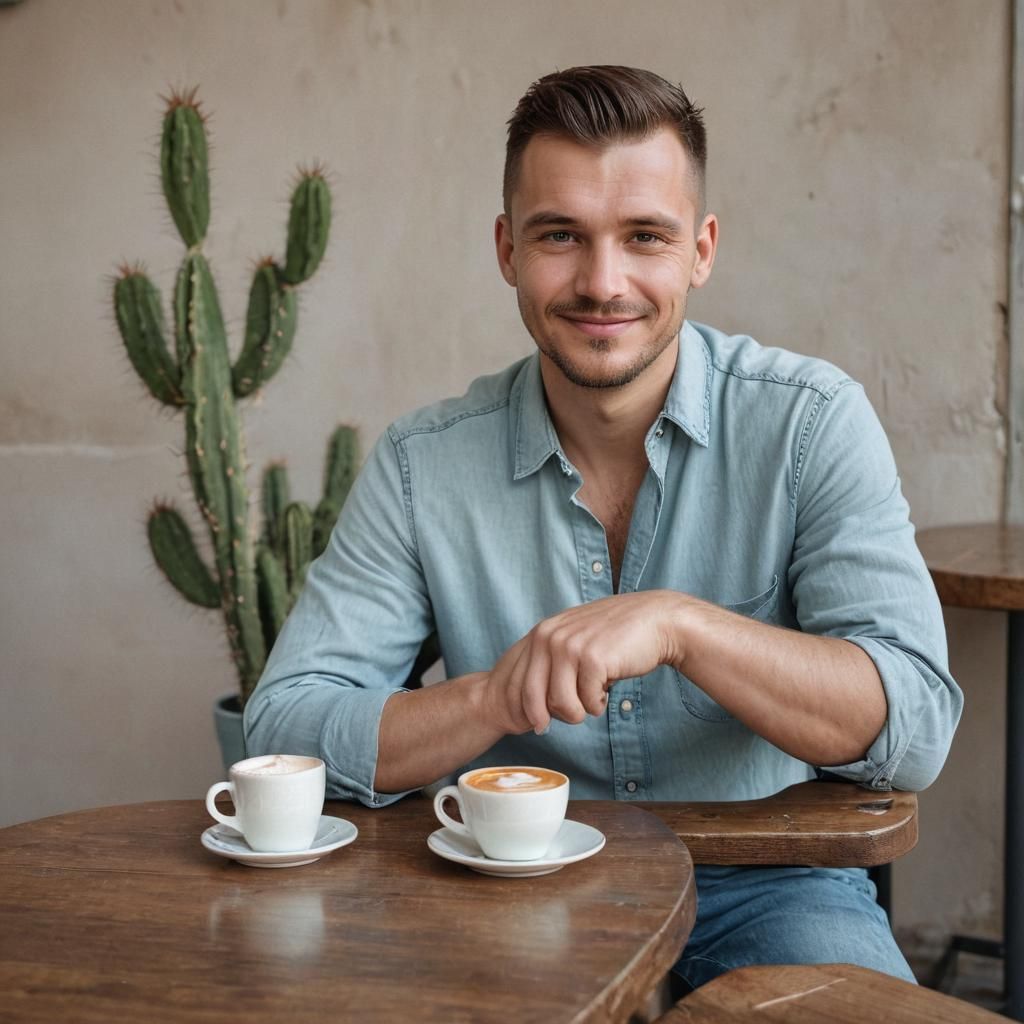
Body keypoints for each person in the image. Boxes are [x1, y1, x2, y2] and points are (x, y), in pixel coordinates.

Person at [245, 65, 962, 989]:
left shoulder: (810, 423)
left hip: (774, 887)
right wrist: (496, 698)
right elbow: (288, 723)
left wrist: (680, 626)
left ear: (701, 250)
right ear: (507, 249)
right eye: (561, 236)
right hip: (501, 884)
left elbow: (914, 722)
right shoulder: (423, 464)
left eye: (645, 237)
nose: (602, 282)